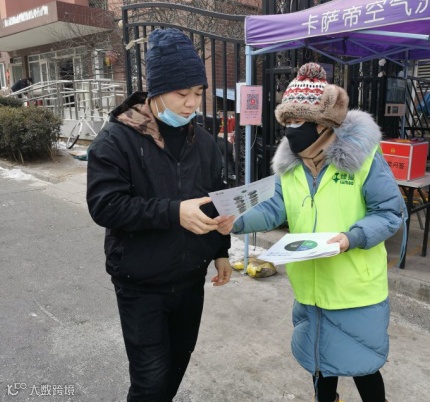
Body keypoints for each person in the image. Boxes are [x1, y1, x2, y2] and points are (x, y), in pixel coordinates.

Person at [225, 62, 406, 402]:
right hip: (310, 287)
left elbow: (389, 212)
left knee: (363, 364)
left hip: (354, 289)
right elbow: (273, 209)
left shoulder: (363, 160)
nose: (291, 131)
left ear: (323, 124)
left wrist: (352, 237)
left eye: (298, 122)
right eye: (287, 122)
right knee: (320, 363)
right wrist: (234, 220)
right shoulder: (291, 167)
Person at [86, 28, 234, 401]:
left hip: (190, 280)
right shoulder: (117, 139)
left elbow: (215, 197)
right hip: (141, 283)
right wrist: (173, 212)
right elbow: (104, 205)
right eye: (181, 93)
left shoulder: (204, 142)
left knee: (176, 367)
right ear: (156, 92)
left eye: (197, 92)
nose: (191, 103)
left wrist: (221, 249)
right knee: (150, 381)